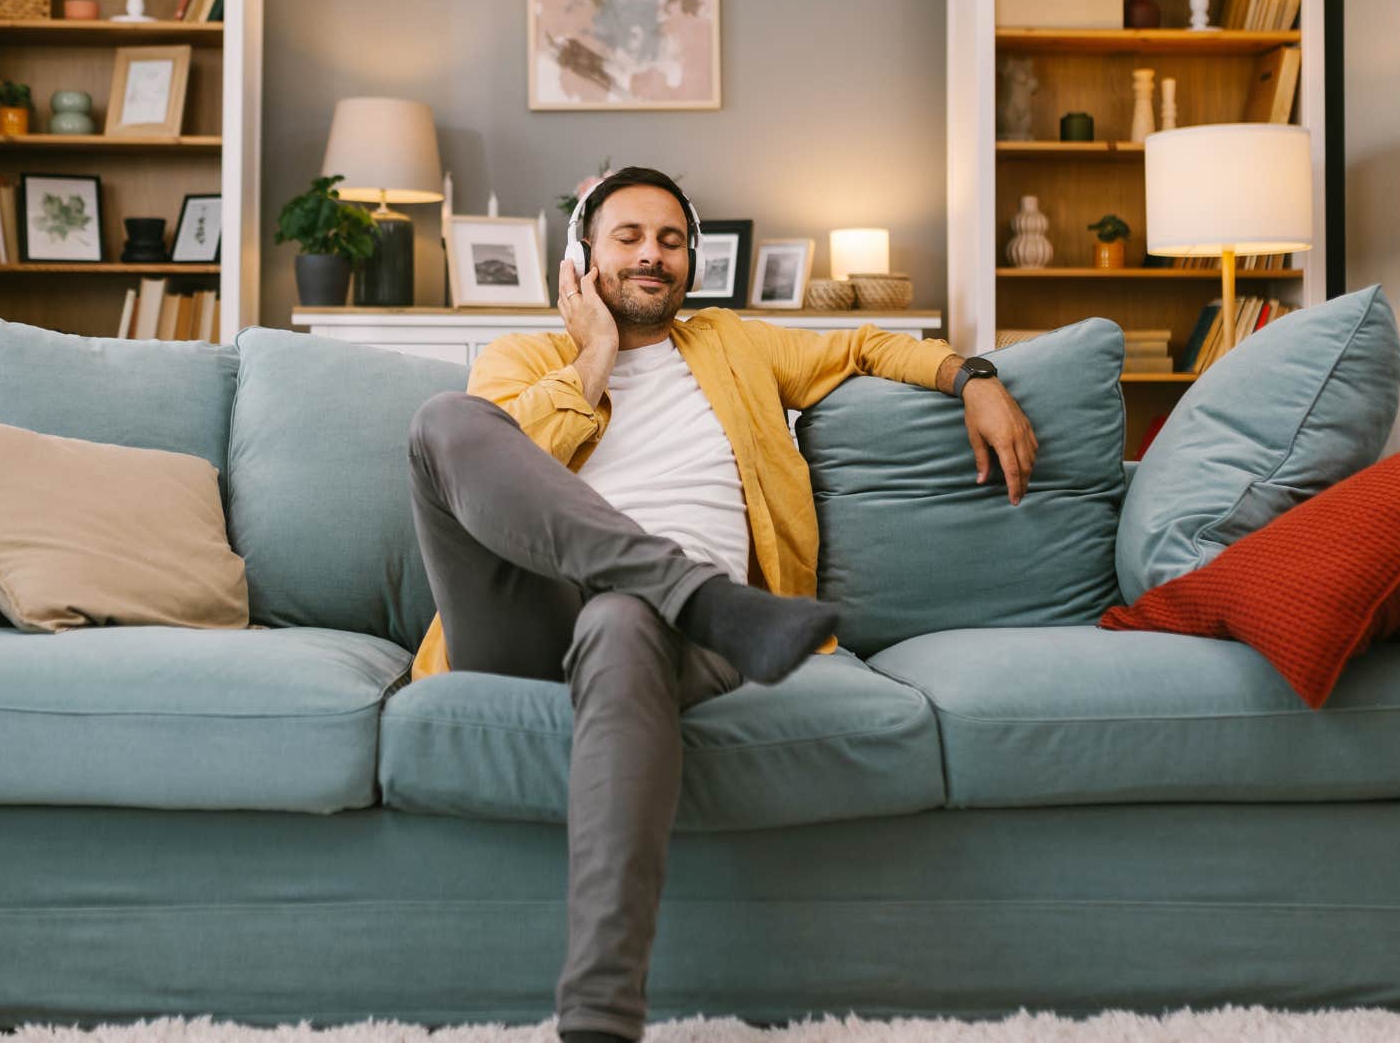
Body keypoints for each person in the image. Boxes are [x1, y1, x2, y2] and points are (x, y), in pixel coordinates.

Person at [403, 166, 1038, 1043]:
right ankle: (697, 595)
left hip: (650, 638)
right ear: (582, 257)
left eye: (670, 240)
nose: (651, 256)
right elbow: (509, 483)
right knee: (444, 421)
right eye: (626, 237)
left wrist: (974, 375)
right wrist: (592, 357)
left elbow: (864, 346)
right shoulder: (525, 359)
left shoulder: (736, 344)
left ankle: (599, 1014)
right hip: (523, 615)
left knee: (621, 619)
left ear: (692, 260)